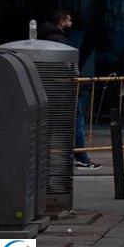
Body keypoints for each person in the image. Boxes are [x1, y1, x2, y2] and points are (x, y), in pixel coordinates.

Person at [40, 10, 102, 170]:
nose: (71, 24)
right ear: (61, 22)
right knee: (77, 122)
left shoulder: (45, 38)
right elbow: (69, 67)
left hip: (53, 89)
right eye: (68, 20)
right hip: (66, 90)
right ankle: (81, 157)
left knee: (56, 123)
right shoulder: (60, 41)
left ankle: (57, 156)